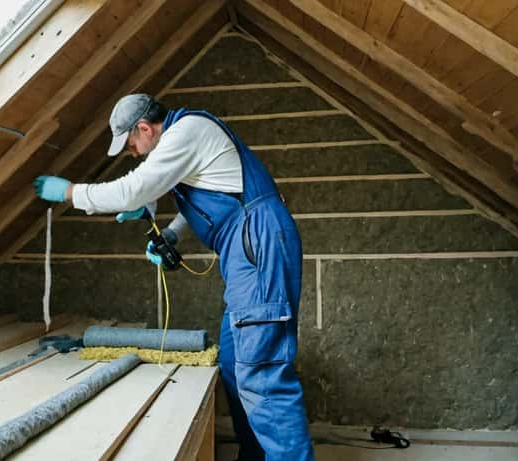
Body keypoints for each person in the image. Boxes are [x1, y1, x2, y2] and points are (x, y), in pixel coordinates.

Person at [33, 94, 314, 460]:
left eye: (131, 144)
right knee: (233, 362)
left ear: (145, 129)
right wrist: (170, 235)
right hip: (248, 248)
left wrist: (71, 192)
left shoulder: (187, 131)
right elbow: (210, 199)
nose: (133, 152)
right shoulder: (189, 139)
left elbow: (133, 188)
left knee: (261, 373)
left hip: (257, 243)